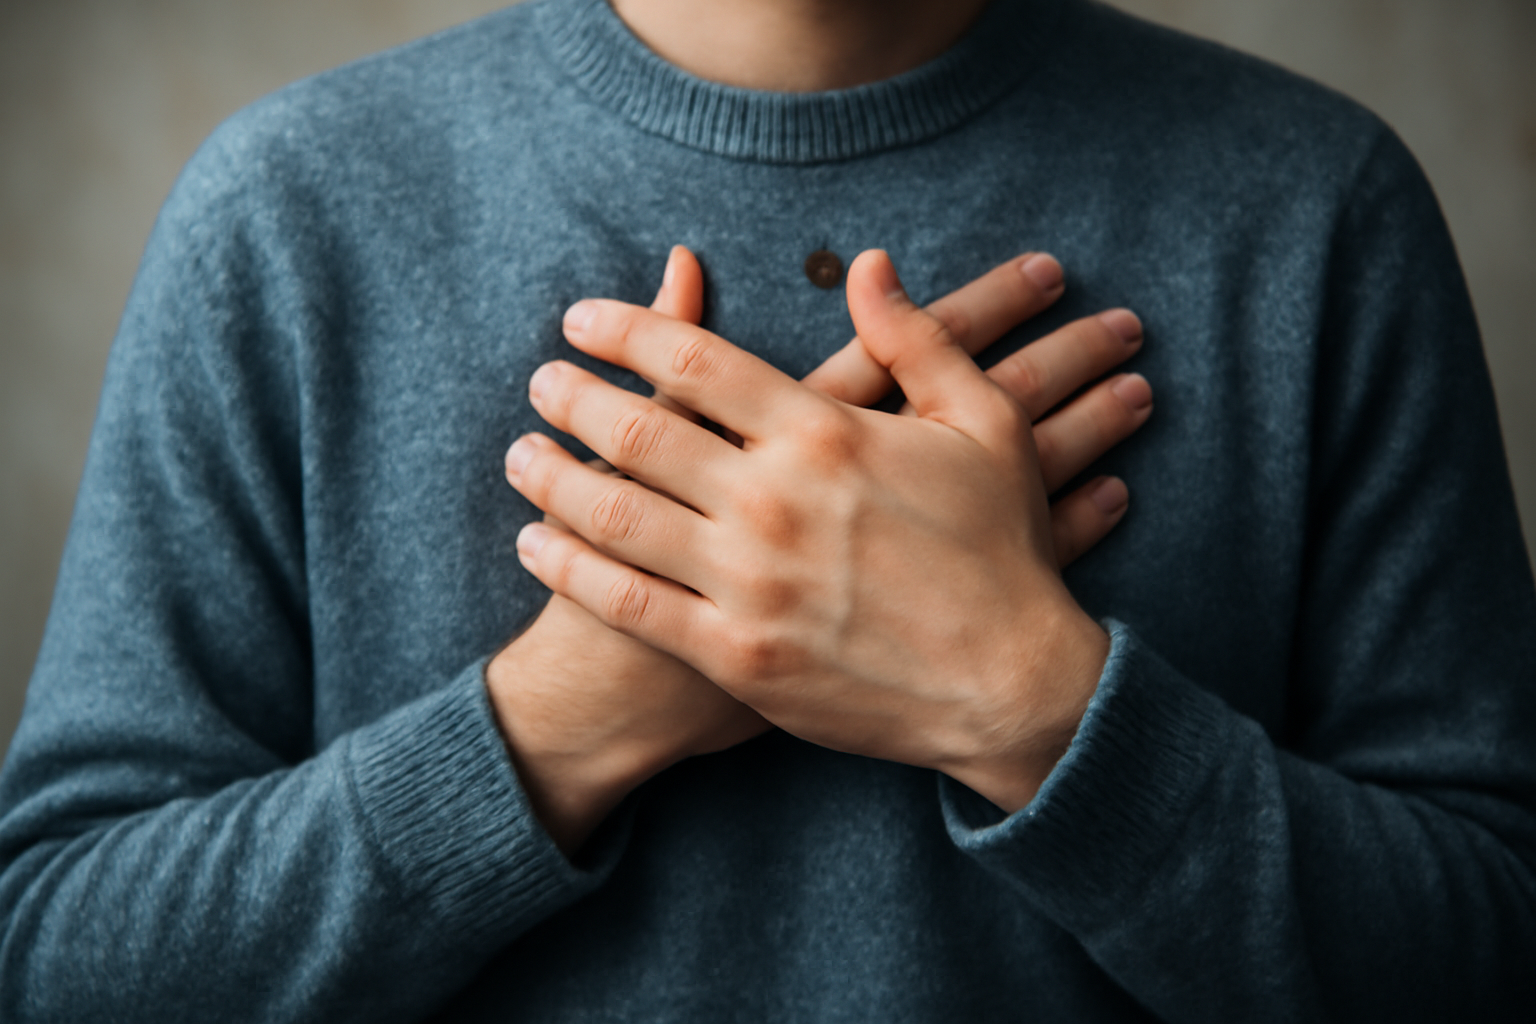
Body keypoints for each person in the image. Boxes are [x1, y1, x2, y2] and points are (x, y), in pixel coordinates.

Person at [2, 0, 1534, 1021]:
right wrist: (560, 725)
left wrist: (1027, 699)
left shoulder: (1317, 203)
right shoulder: (289, 211)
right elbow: (58, 950)